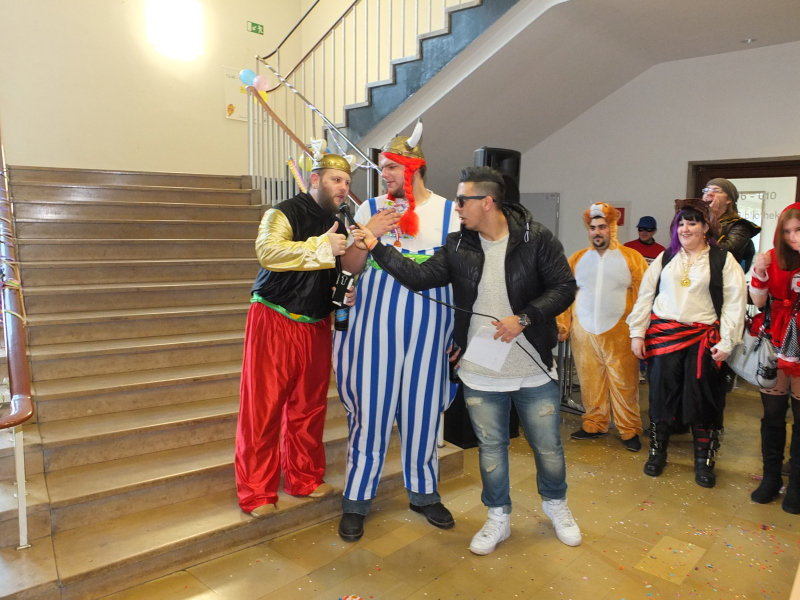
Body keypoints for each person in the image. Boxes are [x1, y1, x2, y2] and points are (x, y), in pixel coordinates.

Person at [352, 166, 581, 555]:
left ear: (487, 202)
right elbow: (418, 277)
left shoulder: (536, 238)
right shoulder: (458, 245)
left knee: (548, 447)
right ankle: (498, 517)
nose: (456, 207)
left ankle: (557, 506)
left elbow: (564, 287)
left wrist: (525, 318)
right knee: (491, 450)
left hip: (533, 368)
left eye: (462, 200)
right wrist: (375, 245)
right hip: (480, 371)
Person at [334, 123, 461, 542]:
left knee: (422, 412)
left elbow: (461, 276)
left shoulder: (450, 213)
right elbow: (349, 267)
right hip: (374, 328)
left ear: (414, 168)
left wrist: (460, 333)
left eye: (390, 167)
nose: (383, 174)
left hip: (430, 330)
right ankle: (356, 499)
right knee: (370, 413)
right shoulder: (369, 208)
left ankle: (424, 494)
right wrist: (369, 235)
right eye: (382, 167)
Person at [235, 151, 354, 517]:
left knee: (310, 407)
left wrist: (342, 294)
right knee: (263, 408)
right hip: (275, 318)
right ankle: (257, 492)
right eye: (336, 180)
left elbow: (333, 274)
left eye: (347, 182)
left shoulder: (339, 223)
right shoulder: (282, 212)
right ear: (315, 180)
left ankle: (304, 477)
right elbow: (268, 252)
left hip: (316, 325)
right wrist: (322, 246)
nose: (343, 188)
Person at [628, 199, 746, 488]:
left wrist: (728, 341)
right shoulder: (666, 257)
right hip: (664, 337)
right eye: (681, 223)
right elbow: (646, 295)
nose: (685, 228)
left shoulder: (722, 259)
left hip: (704, 339)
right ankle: (657, 453)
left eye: (692, 223)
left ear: (706, 227)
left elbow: (735, 302)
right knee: (661, 395)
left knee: (703, 398)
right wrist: (637, 332)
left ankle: (704, 459)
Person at [557, 203, 647, 451]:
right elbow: (565, 294)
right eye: (593, 227)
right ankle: (595, 423)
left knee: (625, 384)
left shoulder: (632, 258)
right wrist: (562, 324)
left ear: (612, 228)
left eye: (602, 227)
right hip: (583, 333)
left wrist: (640, 330)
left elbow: (644, 297)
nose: (597, 232)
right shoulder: (577, 259)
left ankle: (629, 429)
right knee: (589, 381)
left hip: (620, 333)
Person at [748, 202, 800, 513]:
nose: (793, 237)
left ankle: (797, 485)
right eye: (787, 231)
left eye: (798, 230)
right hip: (776, 339)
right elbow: (758, 301)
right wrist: (759, 270)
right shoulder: (771, 256)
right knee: (773, 415)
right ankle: (770, 478)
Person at [702, 178, 760, 273]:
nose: (709, 193)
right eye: (706, 190)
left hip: (724, 278)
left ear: (728, 199)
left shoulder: (741, 226)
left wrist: (712, 218)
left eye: (716, 190)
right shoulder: (698, 221)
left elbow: (723, 251)